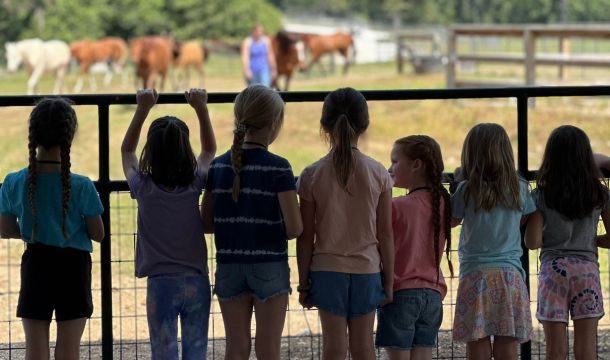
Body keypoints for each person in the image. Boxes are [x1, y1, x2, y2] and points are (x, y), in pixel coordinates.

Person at [201, 84, 302, 360]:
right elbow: (294, 229)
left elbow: (206, 223)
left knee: (236, 347)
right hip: (269, 265)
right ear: (274, 123)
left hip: (229, 266)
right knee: (268, 349)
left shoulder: (218, 167)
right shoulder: (279, 167)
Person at [0, 98, 104, 360]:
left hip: (36, 263)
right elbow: (98, 233)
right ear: (70, 135)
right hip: (74, 268)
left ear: (32, 134)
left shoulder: (14, 182)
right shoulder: (82, 186)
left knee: (35, 352)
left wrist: (33, 229)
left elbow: (5, 228)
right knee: (69, 351)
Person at [296, 87, 394, 360]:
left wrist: (304, 283)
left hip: (327, 272)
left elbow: (305, 237)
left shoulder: (311, 175)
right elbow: (385, 234)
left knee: (334, 348)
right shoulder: (379, 174)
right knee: (364, 348)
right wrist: (389, 281)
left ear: (324, 126)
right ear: (364, 125)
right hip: (367, 270)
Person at [121, 88, 216, 359]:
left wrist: (142, 108)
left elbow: (127, 150)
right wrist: (201, 107)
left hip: (160, 283)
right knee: (196, 350)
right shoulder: (194, 182)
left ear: (151, 150)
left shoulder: (142, 186)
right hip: (196, 280)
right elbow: (209, 149)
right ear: (186, 149)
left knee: (163, 351)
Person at [525, 125, 610, 359]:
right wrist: (591, 241)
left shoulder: (541, 195)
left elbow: (532, 242)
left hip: (553, 272)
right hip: (587, 272)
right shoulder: (599, 193)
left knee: (555, 349)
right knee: (586, 349)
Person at [451, 123, 534, 360]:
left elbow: (452, 221)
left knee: (477, 341)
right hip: (510, 276)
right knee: (507, 342)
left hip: (475, 276)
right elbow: (523, 218)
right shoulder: (520, 188)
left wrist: (457, 183)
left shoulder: (466, 190)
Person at [375, 135, 453, 360]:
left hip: (401, 293)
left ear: (416, 165)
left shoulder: (396, 207)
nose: (390, 168)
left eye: (395, 162)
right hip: (433, 296)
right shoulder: (443, 204)